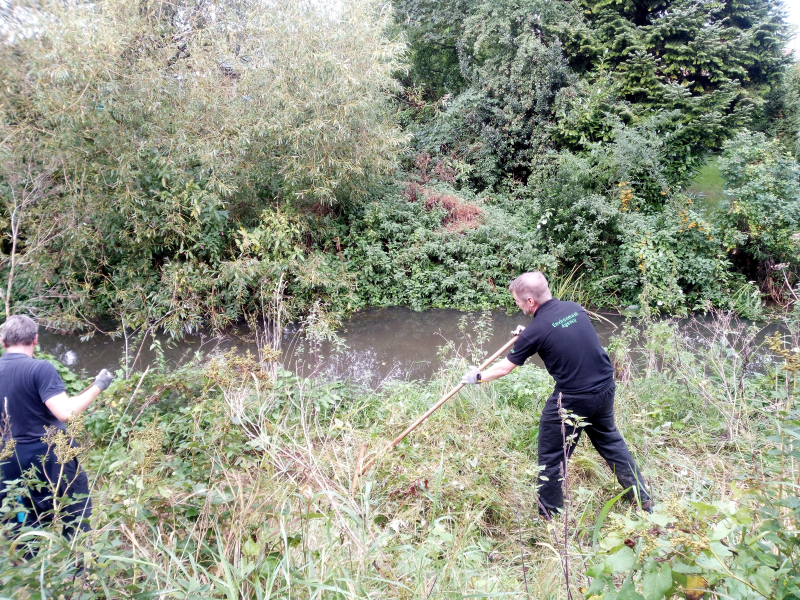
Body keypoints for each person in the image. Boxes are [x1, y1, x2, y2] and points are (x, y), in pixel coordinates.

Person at [462, 272, 651, 517]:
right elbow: (560, 333)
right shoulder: (575, 308)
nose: (518, 306)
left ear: (530, 301)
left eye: (518, 301)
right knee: (611, 443)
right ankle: (643, 500)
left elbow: (505, 368)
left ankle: (549, 514)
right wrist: (528, 334)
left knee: (552, 457)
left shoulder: (536, 330)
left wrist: (477, 377)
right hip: (605, 387)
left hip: (573, 399)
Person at [0, 315, 113, 538]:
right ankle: (78, 568)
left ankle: (27, 568)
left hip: (8, 460)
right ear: (35, 339)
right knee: (76, 512)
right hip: (51, 458)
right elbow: (64, 412)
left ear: (2, 341)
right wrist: (99, 385)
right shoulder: (39, 369)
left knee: (21, 522)